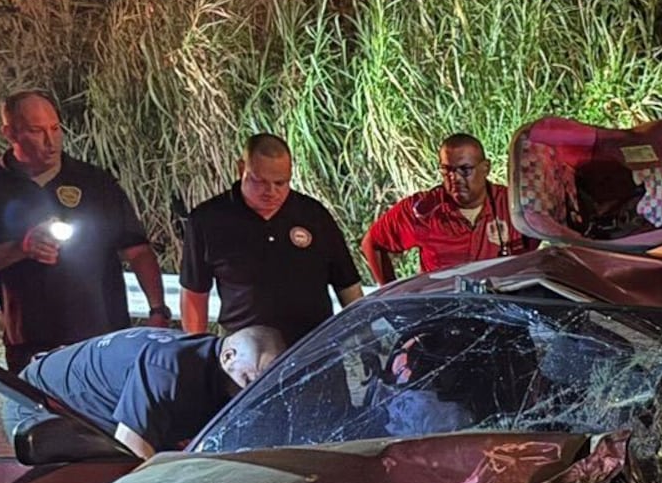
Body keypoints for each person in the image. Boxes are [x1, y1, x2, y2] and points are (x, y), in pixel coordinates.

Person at [0, 90, 170, 372]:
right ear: (9, 132)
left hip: (103, 335)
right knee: (42, 416)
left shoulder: (94, 181)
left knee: (102, 415)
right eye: (36, 130)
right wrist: (21, 248)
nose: (50, 140)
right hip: (30, 342)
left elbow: (138, 250)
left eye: (55, 128)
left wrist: (157, 310)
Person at [178, 134, 363, 344]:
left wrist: (364, 337)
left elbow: (347, 283)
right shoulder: (208, 220)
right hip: (245, 351)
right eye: (260, 181)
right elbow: (194, 294)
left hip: (313, 347)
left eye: (280, 183)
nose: (271, 192)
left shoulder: (314, 215)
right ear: (241, 169)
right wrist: (194, 351)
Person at [20, 323, 284, 459]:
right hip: (35, 404)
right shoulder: (169, 368)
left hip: (100, 410)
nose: (256, 391)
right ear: (229, 356)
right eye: (250, 380)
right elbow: (134, 452)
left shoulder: (221, 373)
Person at [362, 133, 535, 283]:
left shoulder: (514, 204)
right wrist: (390, 294)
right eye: (447, 170)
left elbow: (549, 237)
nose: (455, 178)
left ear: (486, 168)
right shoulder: (423, 211)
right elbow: (372, 242)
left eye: (465, 170)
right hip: (444, 310)